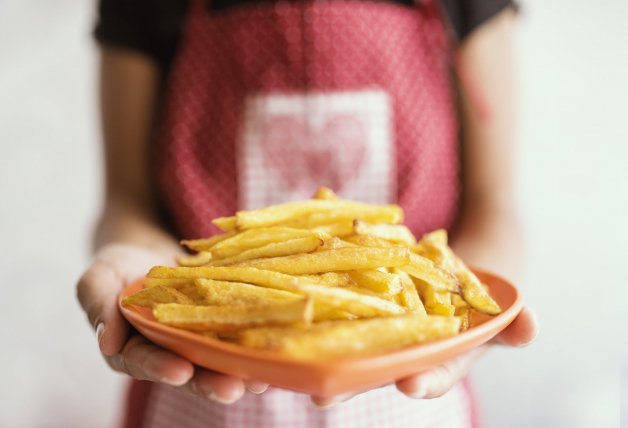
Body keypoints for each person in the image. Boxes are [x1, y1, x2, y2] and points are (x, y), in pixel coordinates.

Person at [77, 0, 539, 427]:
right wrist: (133, 256)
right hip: (199, 372)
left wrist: (469, 310)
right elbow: (127, 198)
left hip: (411, 376)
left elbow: (492, 203)